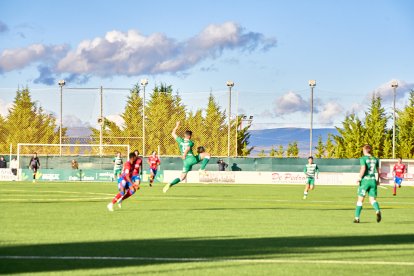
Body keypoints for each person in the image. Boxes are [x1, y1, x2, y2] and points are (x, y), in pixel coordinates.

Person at [163, 121, 211, 193]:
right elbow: (188, 148)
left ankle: (170, 184)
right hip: (191, 159)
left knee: (182, 177)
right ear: (189, 136)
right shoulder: (191, 142)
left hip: (185, 162)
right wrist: (184, 154)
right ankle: (202, 169)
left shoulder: (180, 140)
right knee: (207, 154)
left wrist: (177, 126)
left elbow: (173, 133)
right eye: (191, 136)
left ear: (184, 135)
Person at [354, 144, 382, 223]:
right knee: (372, 200)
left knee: (360, 200)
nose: (362, 151)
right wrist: (378, 180)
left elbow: (363, 168)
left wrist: (359, 178)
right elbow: (378, 171)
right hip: (373, 180)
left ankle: (357, 218)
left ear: (366, 150)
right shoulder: (375, 159)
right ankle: (377, 210)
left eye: (363, 149)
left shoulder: (363, 158)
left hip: (365, 181)